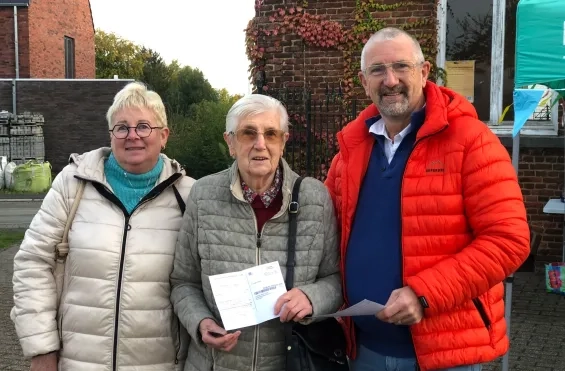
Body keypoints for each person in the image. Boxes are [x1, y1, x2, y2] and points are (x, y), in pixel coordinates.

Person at [324, 27, 530, 371]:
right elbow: (325, 234)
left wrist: (424, 294)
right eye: (377, 70)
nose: (390, 80)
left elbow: (508, 240)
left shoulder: (471, 140)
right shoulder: (350, 149)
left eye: (401, 67)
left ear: (423, 72)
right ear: (364, 81)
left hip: (444, 355)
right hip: (364, 350)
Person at [11, 82, 195, 371]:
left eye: (144, 126)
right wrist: (42, 348)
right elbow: (32, 262)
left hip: (159, 363)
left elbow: (201, 279)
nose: (132, 136)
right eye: (122, 127)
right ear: (111, 135)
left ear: (164, 136)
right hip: (78, 362)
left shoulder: (189, 196)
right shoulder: (73, 185)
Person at [170, 94, 342, 371]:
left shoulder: (314, 198)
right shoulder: (203, 196)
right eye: (248, 133)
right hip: (215, 363)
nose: (260, 144)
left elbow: (335, 280)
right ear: (230, 143)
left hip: (287, 362)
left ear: (283, 142)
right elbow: (183, 282)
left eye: (271, 134)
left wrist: (312, 297)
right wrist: (201, 321)